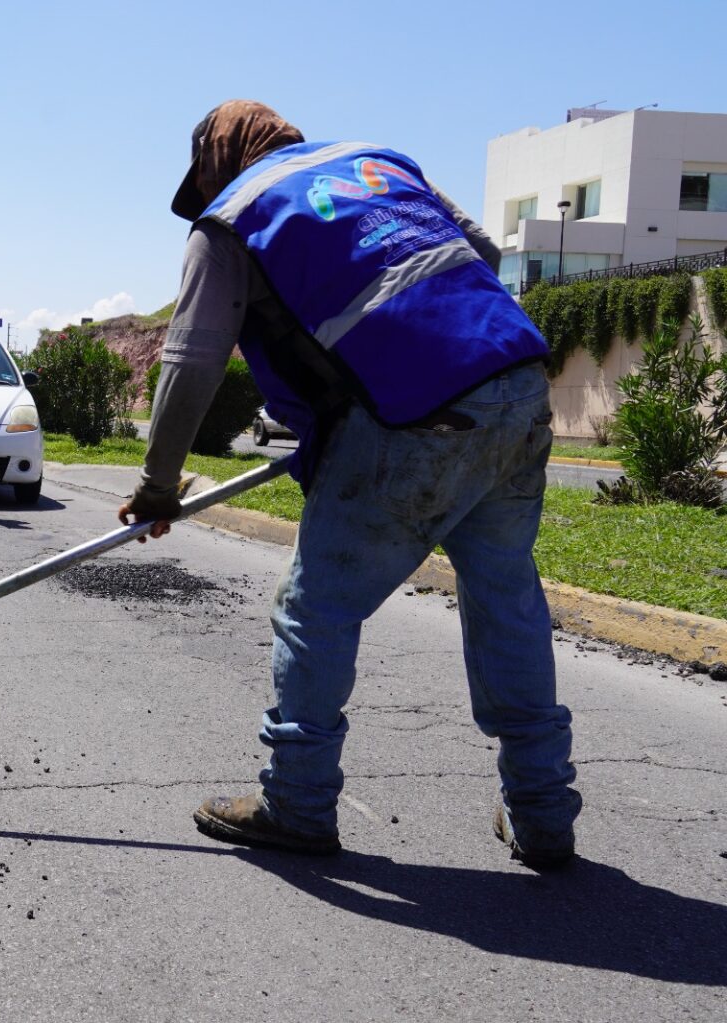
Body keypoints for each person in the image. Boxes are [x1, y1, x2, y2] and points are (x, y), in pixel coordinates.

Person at [119, 100, 581, 868]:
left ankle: (296, 802)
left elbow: (190, 359)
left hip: (414, 414)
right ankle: (542, 813)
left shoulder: (231, 217)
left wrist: (158, 483)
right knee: (506, 599)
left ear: (216, 158)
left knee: (317, 608)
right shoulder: (381, 161)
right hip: (517, 384)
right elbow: (479, 250)